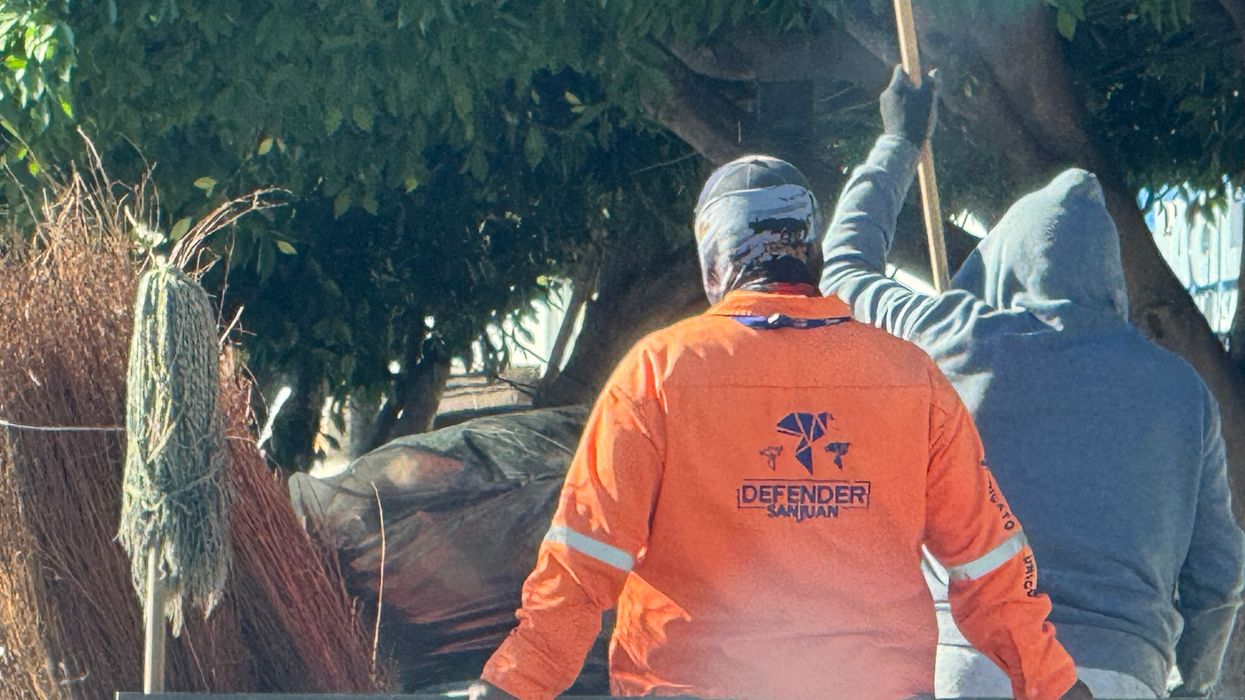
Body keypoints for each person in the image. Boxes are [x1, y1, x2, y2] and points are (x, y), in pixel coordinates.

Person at [470, 137, 1089, 698]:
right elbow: (989, 566)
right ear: (811, 250)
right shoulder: (910, 376)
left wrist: (512, 684)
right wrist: (1055, 684)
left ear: (714, 258)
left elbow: (581, 561)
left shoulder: (657, 371)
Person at [820, 66, 1245, 698]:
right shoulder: (1182, 392)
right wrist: (1193, 683)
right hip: (1124, 673)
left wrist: (900, 139)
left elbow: (844, 272)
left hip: (973, 660)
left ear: (1006, 262)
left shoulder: (951, 334)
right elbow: (1219, 576)